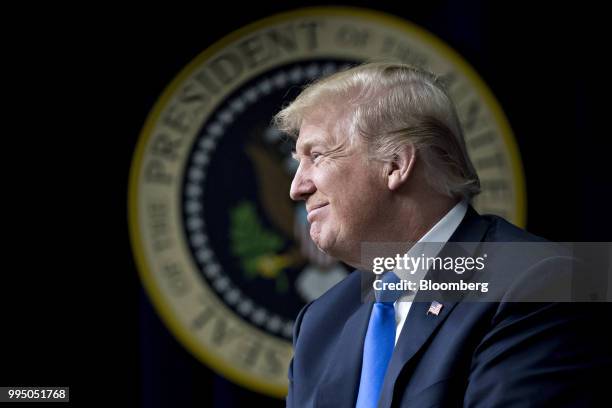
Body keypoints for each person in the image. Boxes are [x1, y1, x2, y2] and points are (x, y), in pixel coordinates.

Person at [274, 62, 610, 407]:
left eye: (316, 156)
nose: (297, 188)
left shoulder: (542, 283)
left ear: (396, 164)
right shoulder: (322, 321)